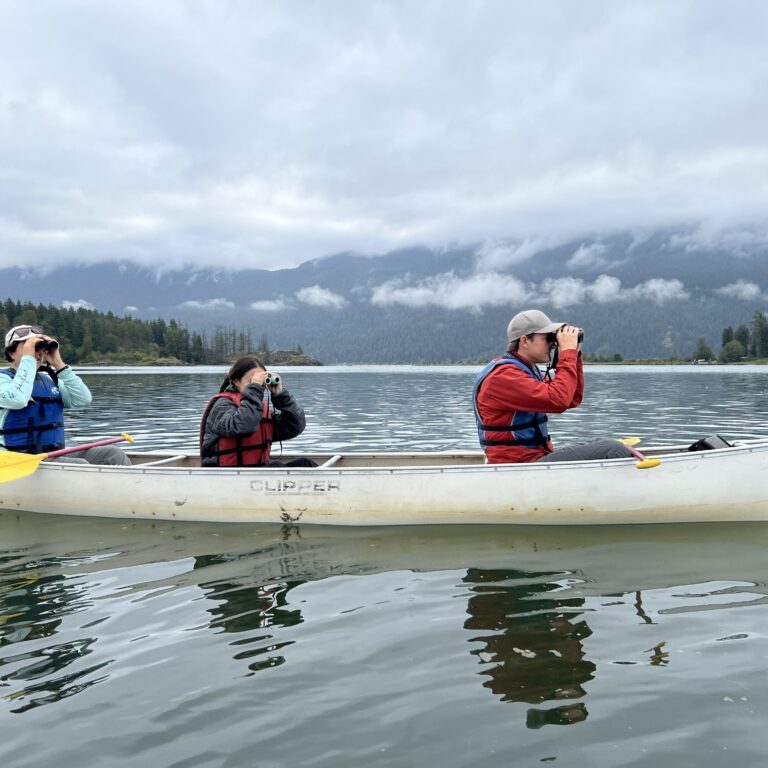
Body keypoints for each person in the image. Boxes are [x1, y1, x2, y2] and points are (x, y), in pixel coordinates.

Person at [473, 309, 634, 464]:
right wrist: (567, 353)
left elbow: (572, 398)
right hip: (520, 464)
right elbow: (558, 400)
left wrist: (574, 355)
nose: (553, 345)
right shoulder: (504, 376)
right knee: (612, 449)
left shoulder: (525, 370)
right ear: (525, 341)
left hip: (533, 458)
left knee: (604, 443)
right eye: (548, 338)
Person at [0, 325, 131, 465]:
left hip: (52, 454)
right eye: (29, 348)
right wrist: (28, 360)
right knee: (80, 466)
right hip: (16, 459)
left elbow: (83, 399)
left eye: (39, 349)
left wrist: (58, 364)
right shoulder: (3, 379)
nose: (37, 353)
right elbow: (18, 399)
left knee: (113, 453)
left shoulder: (48, 381)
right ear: (11, 353)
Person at [200, 356, 314, 467]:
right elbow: (242, 426)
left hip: (256, 474)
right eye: (252, 381)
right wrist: (255, 389)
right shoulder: (221, 405)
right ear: (236, 381)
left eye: (261, 382)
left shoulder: (256, 408)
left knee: (305, 463)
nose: (259, 387)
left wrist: (281, 396)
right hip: (228, 475)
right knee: (276, 466)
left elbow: (294, 427)